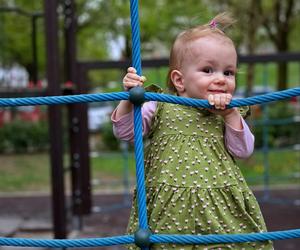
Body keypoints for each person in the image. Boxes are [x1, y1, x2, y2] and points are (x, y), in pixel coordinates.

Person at [111, 13, 273, 250]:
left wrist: (230, 115)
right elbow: (125, 132)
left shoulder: (230, 111)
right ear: (179, 80)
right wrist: (128, 99)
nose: (220, 79)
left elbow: (243, 150)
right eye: (208, 70)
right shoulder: (160, 104)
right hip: (170, 209)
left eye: (228, 72)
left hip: (219, 207)